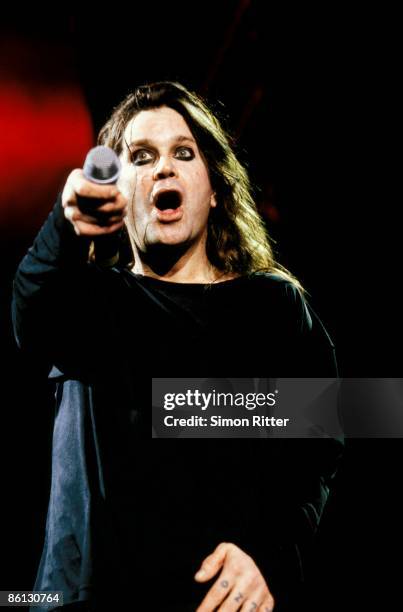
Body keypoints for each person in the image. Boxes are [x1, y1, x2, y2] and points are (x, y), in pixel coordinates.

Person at [12, 81, 343, 611]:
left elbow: (317, 446)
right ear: (118, 192)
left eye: (182, 153)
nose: (163, 167)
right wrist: (64, 225)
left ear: (214, 188)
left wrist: (268, 554)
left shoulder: (270, 307)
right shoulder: (93, 302)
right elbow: (33, 310)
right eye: (140, 157)